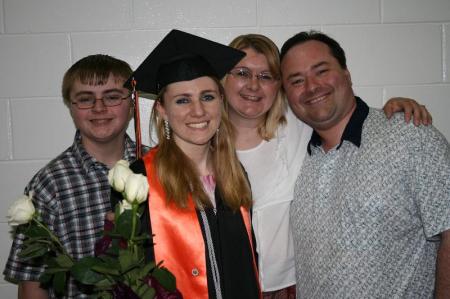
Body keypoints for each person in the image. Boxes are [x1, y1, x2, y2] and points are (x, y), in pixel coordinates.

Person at [222, 33, 434, 298]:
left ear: (279, 87)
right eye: (242, 72)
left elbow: (341, 113)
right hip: (227, 286)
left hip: (291, 289)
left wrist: (397, 109)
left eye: (266, 76)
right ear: (223, 78)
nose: (253, 85)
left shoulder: (298, 129)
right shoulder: (203, 145)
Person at [280, 30, 450, 298]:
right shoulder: (293, 156)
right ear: (286, 94)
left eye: (321, 71)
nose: (312, 87)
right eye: (297, 80)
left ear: (346, 75)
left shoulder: (410, 135)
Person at [111, 29, 261, 299]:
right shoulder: (137, 180)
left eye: (207, 96)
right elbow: (129, 279)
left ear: (221, 102)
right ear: (162, 110)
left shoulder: (235, 173)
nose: (199, 111)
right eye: (182, 100)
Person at [4, 54, 137, 299]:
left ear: (131, 103)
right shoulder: (49, 185)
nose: (99, 107)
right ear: (70, 107)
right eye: (85, 99)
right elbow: (32, 285)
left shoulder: (158, 167)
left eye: (112, 96)